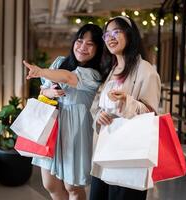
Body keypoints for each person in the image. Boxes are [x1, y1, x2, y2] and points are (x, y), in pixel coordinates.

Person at [23, 24, 107, 200]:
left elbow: (68, 77)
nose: (83, 47)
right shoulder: (60, 62)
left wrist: (41, 71)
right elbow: (42, 91)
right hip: (51, 124)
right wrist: (50, 92)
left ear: (98, 49)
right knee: (50, 184)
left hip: (76, 129)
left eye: (90, 44)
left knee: (73, 187)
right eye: (80, 41)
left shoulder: (94, 73)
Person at [89, 16, 161, 200]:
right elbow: (96, 106)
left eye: (117, 32)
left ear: (129, 35)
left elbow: (151, 114)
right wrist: (99, 116)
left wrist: (126, 102)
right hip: (106, 150)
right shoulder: (110, 69)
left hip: (130, 154)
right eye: (107, 34)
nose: (110, 38)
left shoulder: (146, 70)